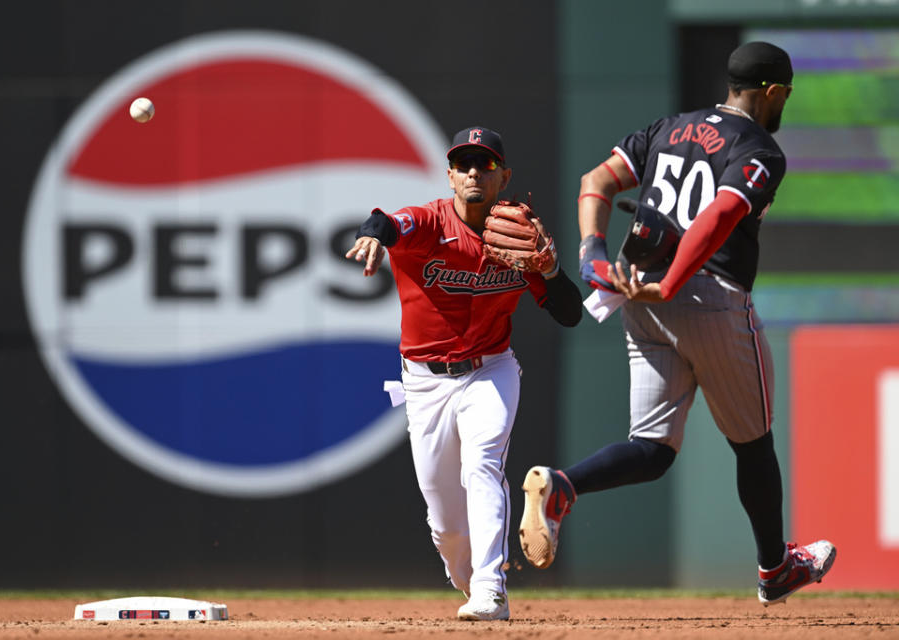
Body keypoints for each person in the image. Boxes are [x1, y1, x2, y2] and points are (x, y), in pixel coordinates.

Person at [518, 42, 836, 605]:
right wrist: (673, 281)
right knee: (754, 445)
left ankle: (563, 485)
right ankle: (774, 569)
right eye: (785, 92)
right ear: (771, 91)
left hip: (637, 297)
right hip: (706, 294)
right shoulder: (759, 147)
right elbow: (719, 215)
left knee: (654, 448)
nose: (785, 101)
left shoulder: (670, 128)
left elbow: (597, 181)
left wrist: (593, 253)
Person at [346, 126, 583, 621]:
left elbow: (569, 314)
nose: (475, 172)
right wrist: (372, 234)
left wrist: (552, 269)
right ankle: (471, 577)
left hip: (491, 370)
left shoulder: (519, 235)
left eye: (486, 164)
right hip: (425, 380)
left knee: (483, 466)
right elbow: (386, 222)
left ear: (504, 176)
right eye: (465, 164)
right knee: (446, 525)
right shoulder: (429, 223)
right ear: (450, 175)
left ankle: (491, 589)